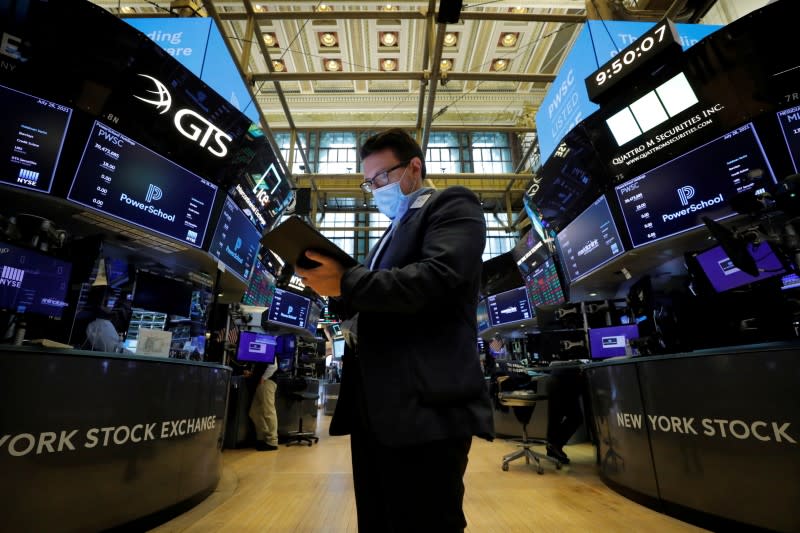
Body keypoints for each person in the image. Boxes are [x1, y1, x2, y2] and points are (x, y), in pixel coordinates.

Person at [295, 128, 494, 532]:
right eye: (369, 184)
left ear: (413, 168)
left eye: (381, 178)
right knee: (379, 517)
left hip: (426, 408)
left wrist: (347, 281)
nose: (375, 189)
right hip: (376, 408)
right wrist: (333, 289)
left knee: (425, 520)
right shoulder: (387, 233)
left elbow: (436, 279)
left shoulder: (452, 204)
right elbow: (378, 301)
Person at [545, 365, 585, 464]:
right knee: (574, 417)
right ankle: (554, 446)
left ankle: (554, 447)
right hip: (564, 381)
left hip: (557, 378)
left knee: (556, 417)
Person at [247, 359, 279, 451]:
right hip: (262, 382)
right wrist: (253, 375)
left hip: (267, 382)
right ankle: (263, 437)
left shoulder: (268, 346)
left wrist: (263, 377)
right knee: (254, 412)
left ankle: (272, 441)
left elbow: (273, 365)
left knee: (268, 411)